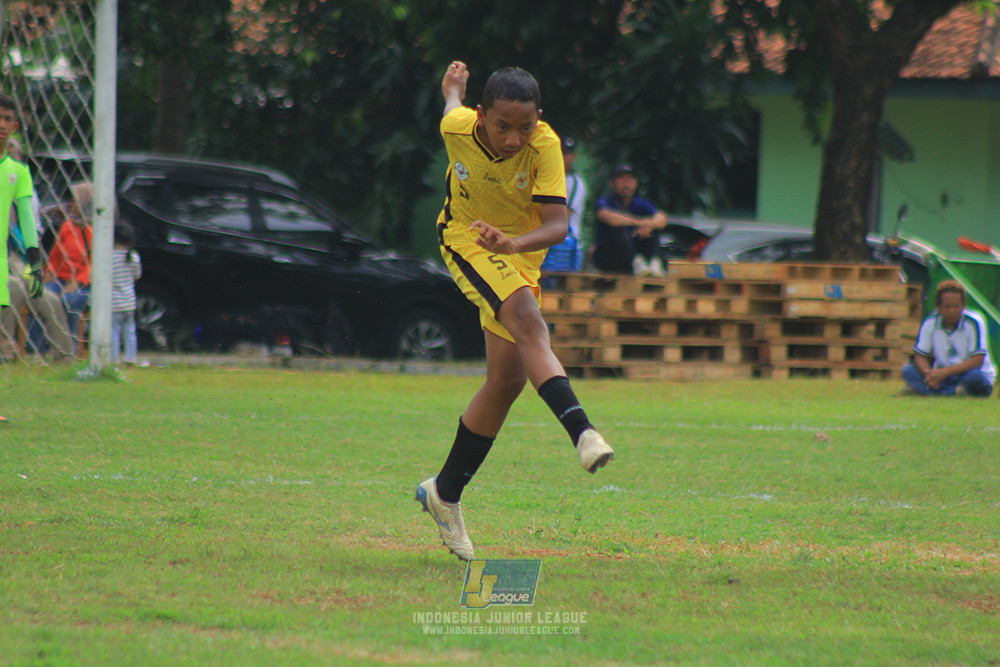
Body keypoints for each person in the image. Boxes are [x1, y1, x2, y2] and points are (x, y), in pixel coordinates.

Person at [414, 61, 614, 562]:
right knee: (530, 323)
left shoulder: (545, 145)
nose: (512, 138)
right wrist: (453, 90)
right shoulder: (458, 127)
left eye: (524, 127)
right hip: (465, 238)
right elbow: (450, 110)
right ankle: (582, 431)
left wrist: (514, 242)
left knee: (506, 382)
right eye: (502, 126)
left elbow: (557, 226)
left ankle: (445, 492)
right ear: (482, 117)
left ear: (538, 119)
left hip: (518, 253)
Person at [0, 95, 45, 422]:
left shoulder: (18, 171)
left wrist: (34, 260)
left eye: (8, 120)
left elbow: (27, 218)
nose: (2, 125)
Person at [901, 280, 996, 397]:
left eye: (956, 307)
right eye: (947, 307)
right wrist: (929, 375)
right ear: (938, 307)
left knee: (975, 377)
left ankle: (929, 392)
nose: (952, 311)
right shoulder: (930, 322)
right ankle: (953, 392)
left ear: (963, 306)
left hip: (966, 374)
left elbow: (977, 361)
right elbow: (920, 355)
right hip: (942, 377)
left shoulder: (974, 322)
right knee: (908, 370)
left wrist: (945, 372)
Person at [592, 164, 668, 277]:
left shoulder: (641, 203)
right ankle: (636, 262)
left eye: (630, 180)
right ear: (612, 184)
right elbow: (604, 215)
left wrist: (648, 226)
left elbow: (661, 219)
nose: (626, 184)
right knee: (617, 229)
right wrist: (638, 223)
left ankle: (654, 263)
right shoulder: (605, 202)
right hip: (610, 257)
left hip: (633, 255)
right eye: (621, 180)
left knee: (651, 230)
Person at [45, 181, 93, 353]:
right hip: (60, 279)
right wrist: (49, 272)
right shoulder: (67, 226)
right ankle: (38, 347)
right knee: (40, 296)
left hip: (85, 284)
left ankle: (68, 347)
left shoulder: (96, 230)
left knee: (70, 301)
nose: (71, 204)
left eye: (75, 201)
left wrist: (78, 282)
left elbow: (94, 265)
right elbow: (55, 255)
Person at [111, 221, 142, 365]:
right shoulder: (133, 256)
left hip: (114, 302)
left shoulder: (109, 257)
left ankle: (113, 359)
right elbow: (137, 276)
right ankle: (131, 359)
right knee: (130, 331)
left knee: (114, 331)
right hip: (129, 301)